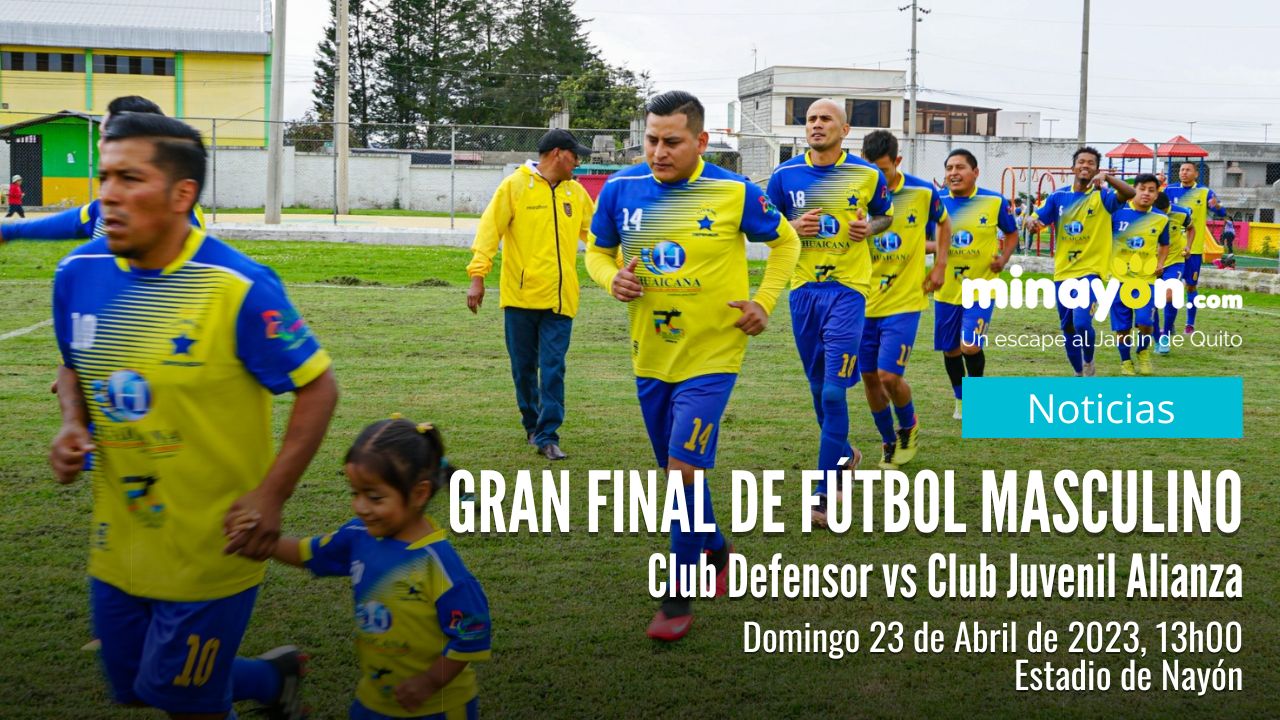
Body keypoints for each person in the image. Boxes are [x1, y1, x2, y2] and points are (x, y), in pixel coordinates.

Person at [49, 112, 338, 720]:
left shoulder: (239, 286)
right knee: (135, 687)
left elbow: (318, 389)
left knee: (183, 697)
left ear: (182, 194)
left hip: (214, 548)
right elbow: (73, 368)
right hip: (117, 545)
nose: (107, 194)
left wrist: (271, 496)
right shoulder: (78, 275)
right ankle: (272, 679)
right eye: (105, 176)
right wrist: (73, 423)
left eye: (130, 178)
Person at [585, 90, 800, 641]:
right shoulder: (620, 189)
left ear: (701, 142)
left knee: (683, 474)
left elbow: (787, 243)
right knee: (677, 470)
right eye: (652, 139)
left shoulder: (734, 192)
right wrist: (612, 279)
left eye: (672, 141)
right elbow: (597, 252)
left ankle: (677, 598)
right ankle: (718, 548)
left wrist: (764, 302)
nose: (659, 151)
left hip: (714, 354)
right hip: (651, 355)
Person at [229, 418, 491, 720]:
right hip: (372, 703)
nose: (361, 507)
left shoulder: (437, 563)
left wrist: (430, 681)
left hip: (439, 708)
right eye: (355, 493)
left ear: (419, 494)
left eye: (375, 497)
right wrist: (263, 541)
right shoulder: (358, 536)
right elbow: (309, 553)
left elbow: (472, 633)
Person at [765, 98, 892, 491]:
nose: (817, 125)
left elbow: (885, 215)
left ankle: (824, 490)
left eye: (826, 119)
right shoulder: (784, 174)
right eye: (811, 120)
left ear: (845, 130)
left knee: (835, 393)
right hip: (803, 291)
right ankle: (845, 454)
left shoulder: (868, 174)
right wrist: (790, 226)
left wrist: (868, 229)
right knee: (820, 390)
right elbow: (766, 224)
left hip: (848, 291)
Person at [466, 128, 594, 461]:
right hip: (520, 299)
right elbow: (489, 231)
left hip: (561, 299)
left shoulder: (576, 194)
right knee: (524, 368)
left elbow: (597, 238)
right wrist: (478, 277)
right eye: (574, 155)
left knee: (553, 367)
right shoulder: (514, 187)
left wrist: (625, 266)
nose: (578, 162)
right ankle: (532, 425)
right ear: (557, 154)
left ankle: (548, 435)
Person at [857, 130, 949, 469]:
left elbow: (943, 222)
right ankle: (888, 441)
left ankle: (908, 426)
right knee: (868, 378)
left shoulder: (922, 191)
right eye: (871, 171)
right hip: (862, 302)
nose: (877, 178)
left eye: (883, 170)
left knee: (888, 377)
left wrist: (939, 264)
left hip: (905, 301)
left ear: (897, 162)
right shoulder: (856, 193)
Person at [2, 97, 206, 245]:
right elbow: (76, 221)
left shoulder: (178, 210)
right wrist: (10, 231)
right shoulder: (110, 202)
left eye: (106, 135)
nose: (100, 144)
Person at [1026, 147, 1135, 376]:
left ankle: (1088, 359)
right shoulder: (1058, 197)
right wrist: (1031, 222)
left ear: (1097, 168)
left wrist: (1108, 178)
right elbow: (1036, 218)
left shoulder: (1102, 196)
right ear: (1073, 167)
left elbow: (1130, 193)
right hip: (1063, 273)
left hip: (1091, 273)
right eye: (1081, 162)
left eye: (1091, 163)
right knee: (1067, 327)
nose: (1085, 166)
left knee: (1082, 322)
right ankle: (1079, 372)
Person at [934, 149, 1018, 419]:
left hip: (981, 287)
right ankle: (960, 399)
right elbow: (921, 240)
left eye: (960, 167)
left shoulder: (993, 201)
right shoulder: (936, 203)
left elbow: (1012, 232)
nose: (953, 173)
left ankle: (978, 399)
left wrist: (1003, 258)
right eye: (949, 168)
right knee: (951, 349)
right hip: (946, 290)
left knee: (970, 345)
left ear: (975, 172)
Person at [1109, 175, 1170, 375]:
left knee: (1145, 321)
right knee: (1123, 326)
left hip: (1146, 281)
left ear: (1156, 194)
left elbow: (1164, 244)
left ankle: (1143, 352)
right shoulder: (1116, 213)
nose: (1146, 193)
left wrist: (1160, 263)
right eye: (1142, 188)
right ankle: (1125, 361)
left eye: (1151, 190)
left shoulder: (1161, 218)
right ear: (1133, 190)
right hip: (1119, 280)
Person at [1162, 162, 1226, 334]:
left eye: (1188, 170)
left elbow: (1220, 212)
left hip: (1194, 250)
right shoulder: (1170, 190)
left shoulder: (1205, 192)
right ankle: (1169, 324)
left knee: (1190, 286)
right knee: (1169, 288)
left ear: (1196, 174)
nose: (1184, 172)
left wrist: (1217, 207)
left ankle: (1190, 323)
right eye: (1182, 169)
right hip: (1172, 249)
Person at [1154, 194, 1193, 355]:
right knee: (1151, 302)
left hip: (1175, 261)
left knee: (1170, 295)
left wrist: (1188, 247)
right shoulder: (1146, 214)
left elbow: (1191, 228)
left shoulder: (1181, 213)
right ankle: (1158, 339)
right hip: (1151, 263)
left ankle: (1165, 335)